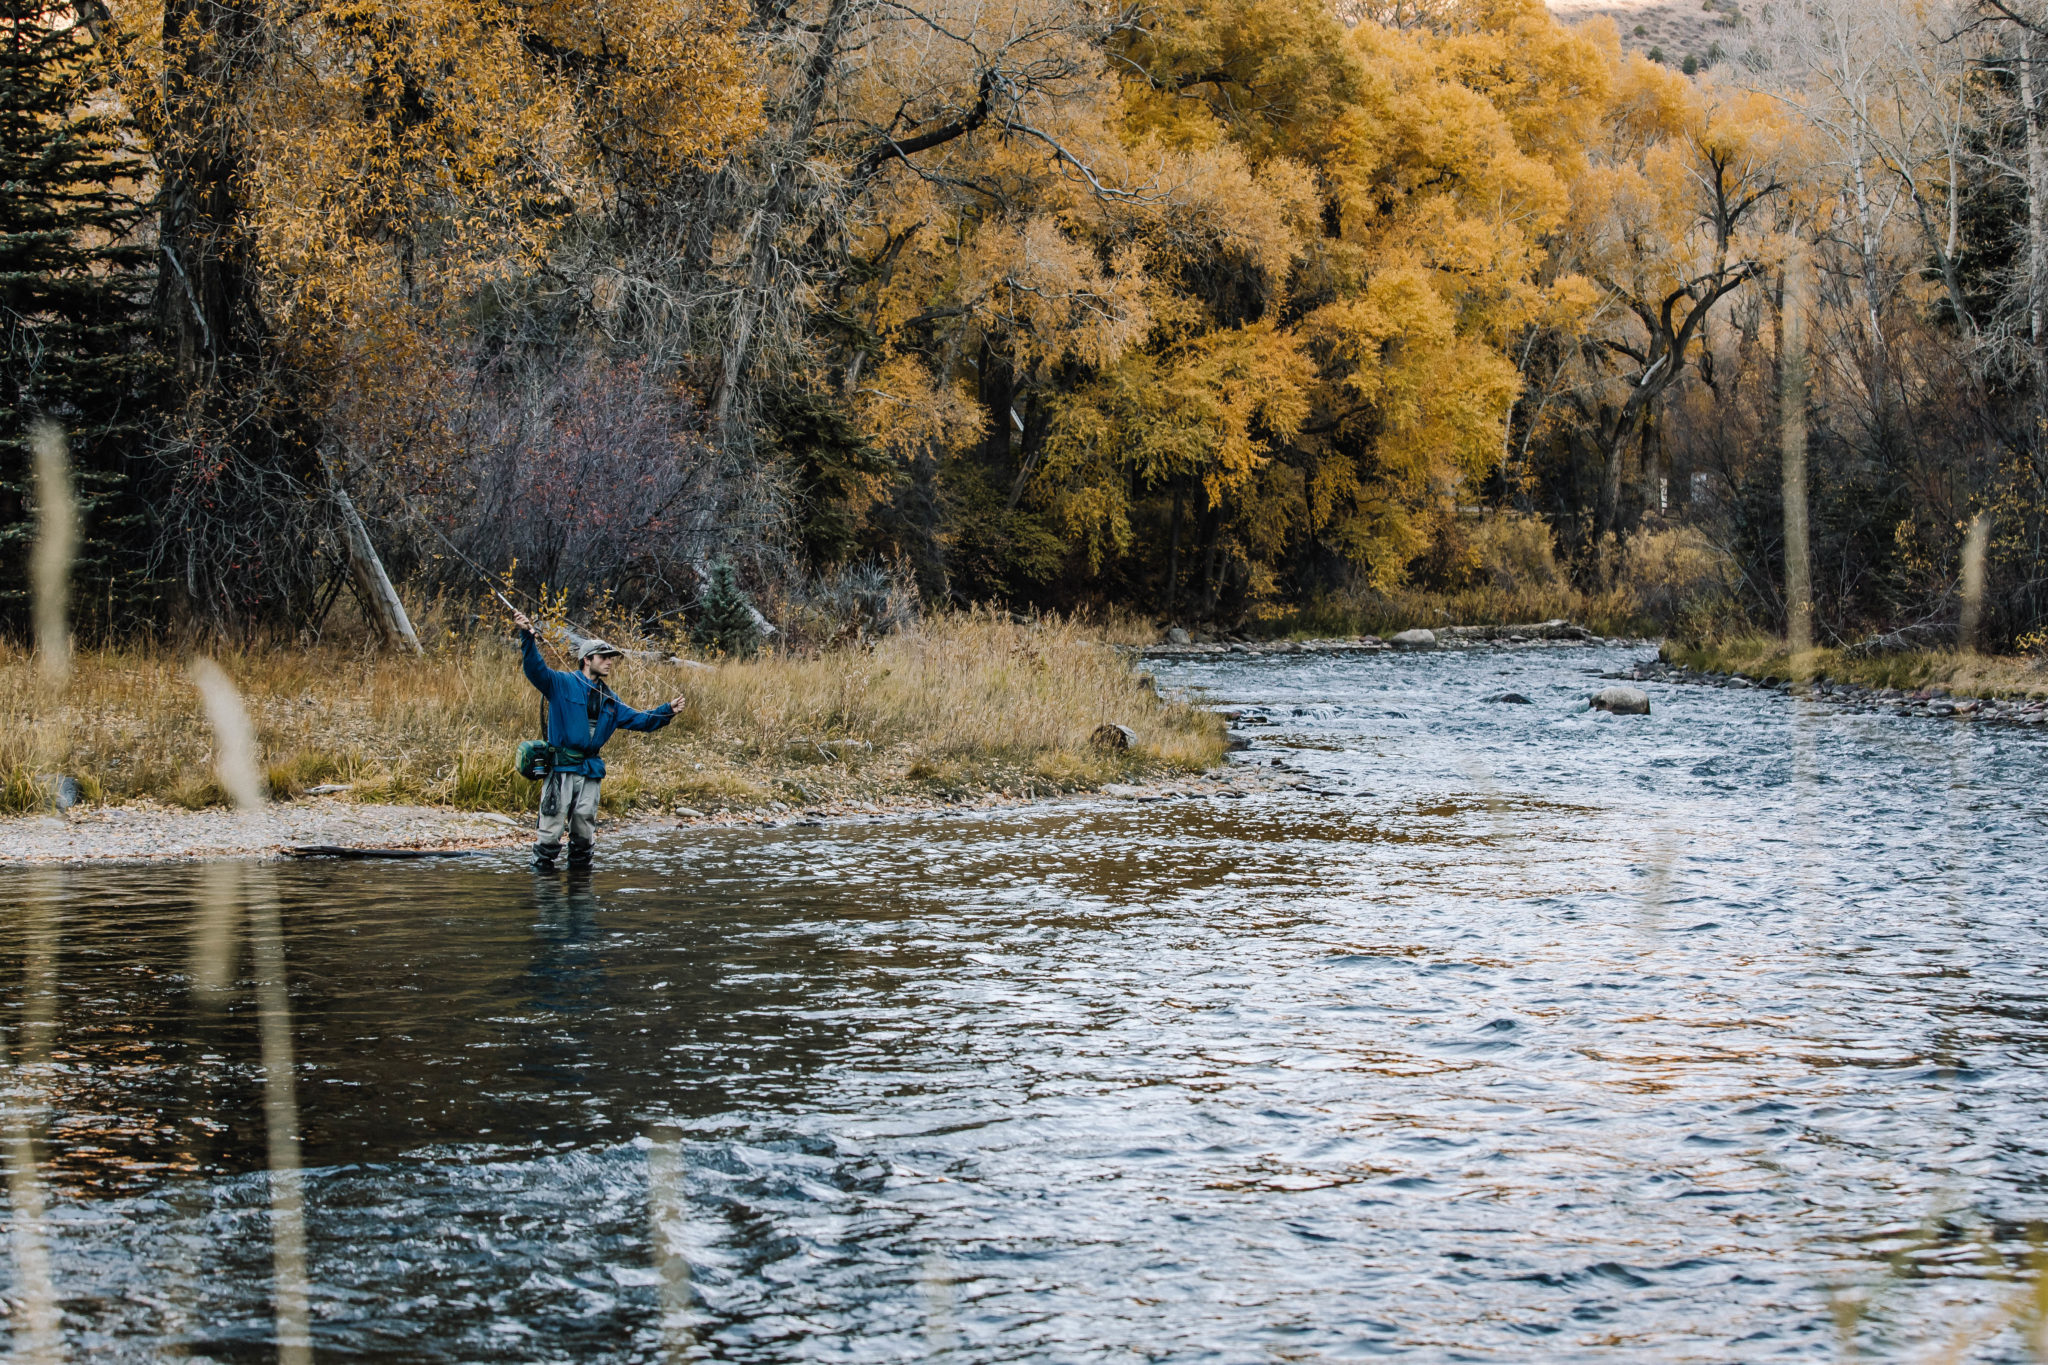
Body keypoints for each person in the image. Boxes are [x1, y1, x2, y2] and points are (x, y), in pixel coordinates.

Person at [510, 610, 685, 872]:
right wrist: (526, 635)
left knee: (584, 833)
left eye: (610, 657)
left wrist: (667, 710)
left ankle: (579, 889)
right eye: (603, 657)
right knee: (550, 830)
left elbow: (641, 720)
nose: (609, 662)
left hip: (589, 772)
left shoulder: (611, 700)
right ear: (587, 659)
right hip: (560, 770)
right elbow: (535, 669)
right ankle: (544, 888)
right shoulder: (560, 683)